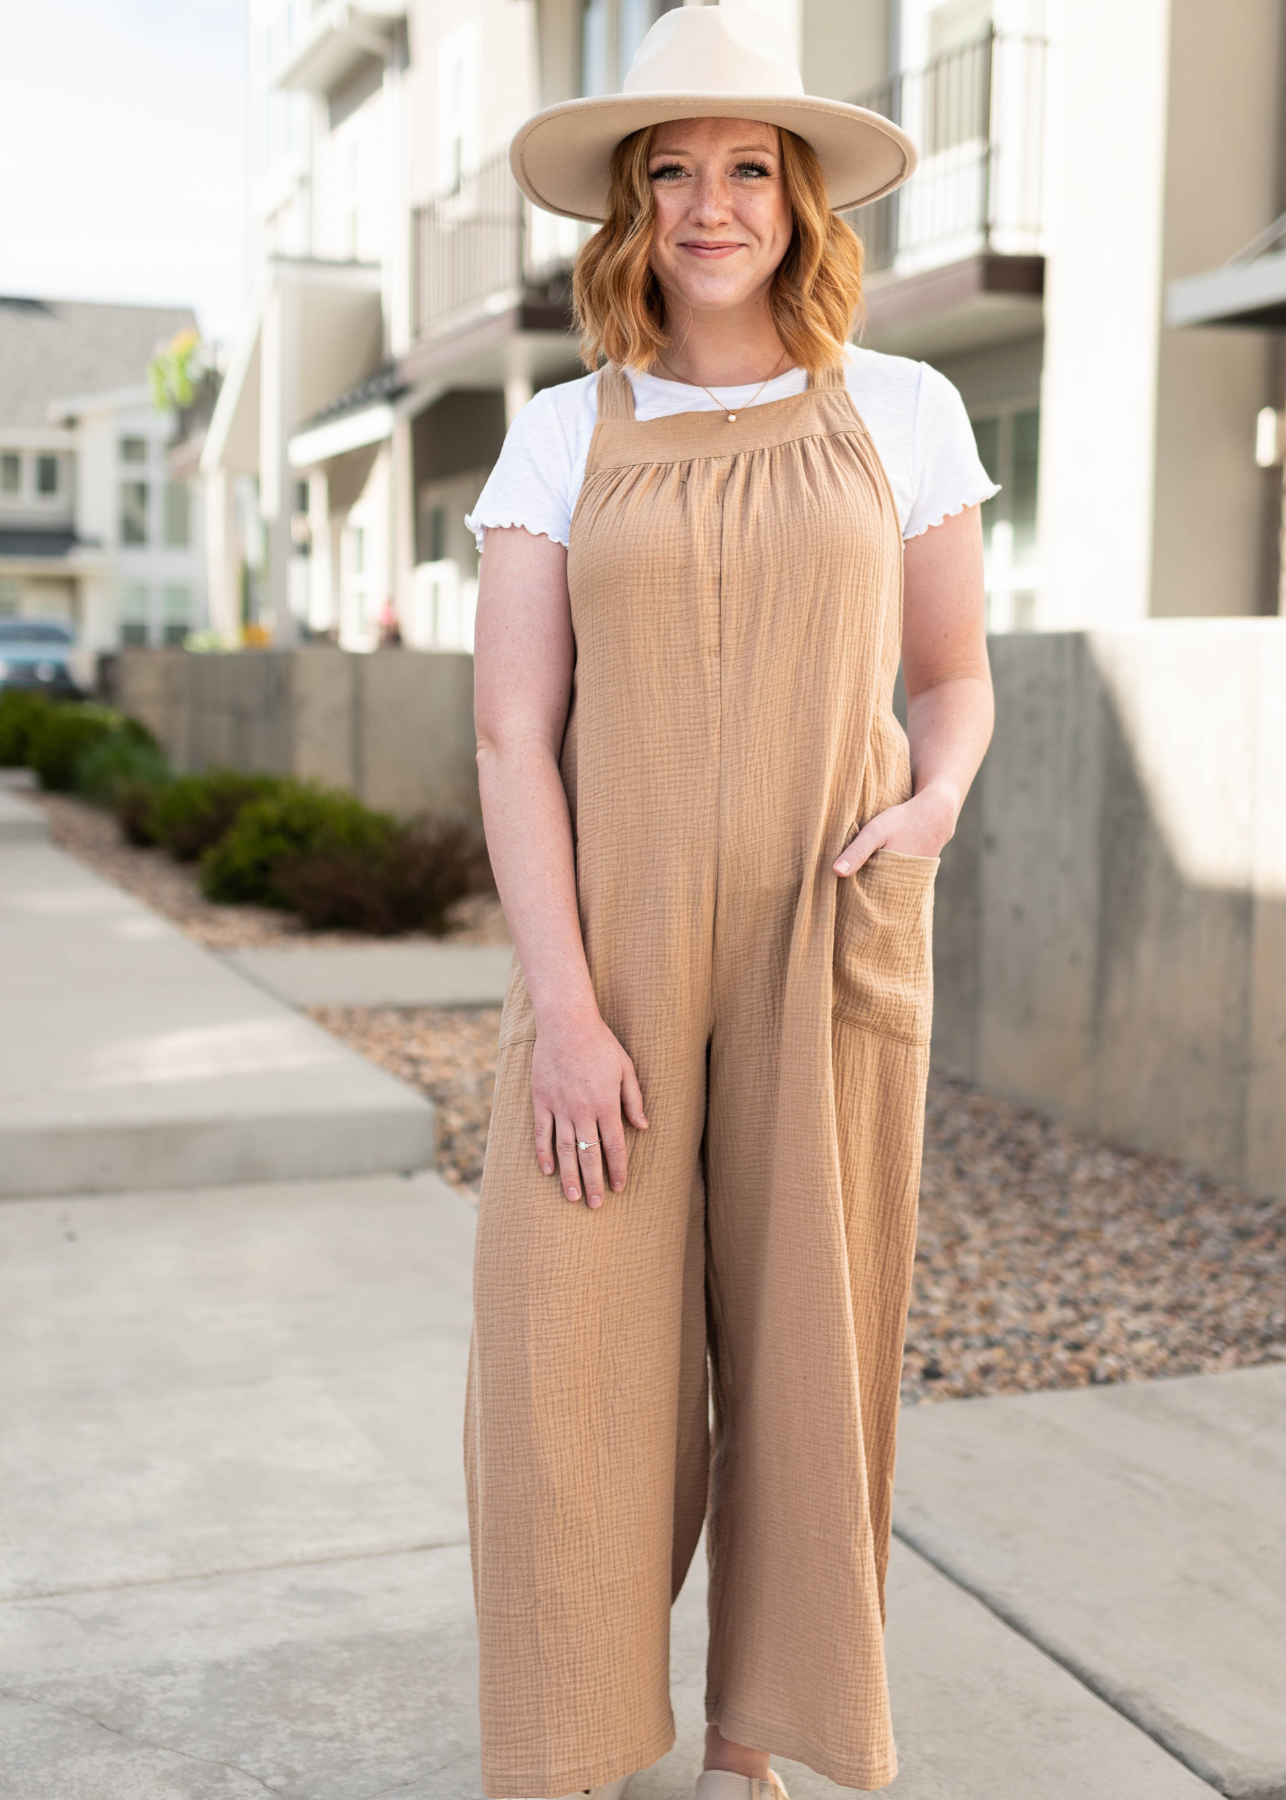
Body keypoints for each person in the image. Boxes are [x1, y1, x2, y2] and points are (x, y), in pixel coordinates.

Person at [464, 9, 995, 1798]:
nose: (710, 202)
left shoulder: (904, 408)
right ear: (630, 209)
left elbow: (953, 678)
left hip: (824, 930)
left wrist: (928, 809)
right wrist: (565, 1010)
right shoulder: (557, 432)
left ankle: (753, 1740)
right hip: (608, 949)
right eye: (672, 170)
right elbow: (508, 736)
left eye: (745, 167)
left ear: (798, 197)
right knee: (567, 1373)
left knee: (807, 1353)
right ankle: (568, 1737)